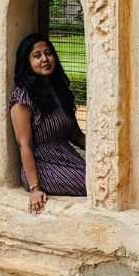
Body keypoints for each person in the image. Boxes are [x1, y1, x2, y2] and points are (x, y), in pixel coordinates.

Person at [9, 33, 86, 214]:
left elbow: (76, 135)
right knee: (93, 184)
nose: (45, 59)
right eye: (37, 56)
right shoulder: (23, 97)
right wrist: (35, 188)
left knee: (104, 178)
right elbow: (24, 145)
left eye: (48, 53)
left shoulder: (59, 91)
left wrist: (105, 155)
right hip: (42, 166)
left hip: (67, 157)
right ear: (27, 62)